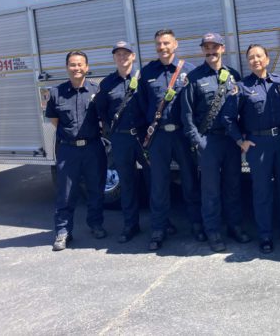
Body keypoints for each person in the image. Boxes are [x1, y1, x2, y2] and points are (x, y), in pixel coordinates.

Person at [224, 44, 280, 253]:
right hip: (258, 146)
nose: (256, 60)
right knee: (262, 192)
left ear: (267, 59)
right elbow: (228, 118)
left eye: (259, 56)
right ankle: (265, 235)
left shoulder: (279, 82)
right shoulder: (241, 87)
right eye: (251, 57)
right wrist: (240, 141)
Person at [181, 32, 251, 252]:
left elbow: (241, 108)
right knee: (210, 191)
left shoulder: (233, 75)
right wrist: (198, 141)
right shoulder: (193, 78)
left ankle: (235, 226)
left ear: (222, 48)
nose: (211, 51)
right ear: (203, 50)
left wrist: (241, 137)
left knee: (233, 186)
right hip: (208, 141)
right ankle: (213, 231)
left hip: (230, 141)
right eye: (206, 47)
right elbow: (187, 115)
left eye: (215, 47)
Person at [138, 29, 204, 251]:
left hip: (182, 136)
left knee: (190, 181)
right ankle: (158, 229)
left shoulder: (188, 70)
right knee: (158, 184)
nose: (162, 47)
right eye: (158, 44)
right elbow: (141, 105)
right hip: (158, 138)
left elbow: (197, 104)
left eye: (166, 43)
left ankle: (197, 224)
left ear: (175, 44)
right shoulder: (147, 72)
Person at [46, 51, 107, 251]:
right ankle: (63, 232)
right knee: (66, 193)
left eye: (80, 64)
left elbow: (102, 118)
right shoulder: (56, 93)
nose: (77, 68)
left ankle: (96, 224)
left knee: (95, 189)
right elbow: (54, 120)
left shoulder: (96, 91)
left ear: (87, 67)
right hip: (68, 150)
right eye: (72, 65)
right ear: (67, 68)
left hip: (93, 147)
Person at [95, 41, 148, 243]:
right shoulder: (107, 83)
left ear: (133, 56)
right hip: (121, 138)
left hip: (143, 137)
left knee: (154, 180)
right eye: (118, 54)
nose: (122, 57)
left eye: (126, 54)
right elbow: (101, 111)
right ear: (114, 58)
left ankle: (162, 223)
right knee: (127, 183)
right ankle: (130, 225)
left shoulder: (143, 79)